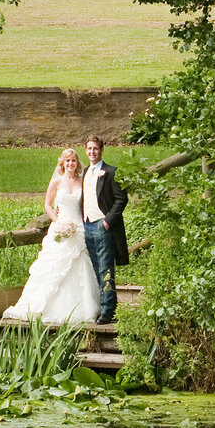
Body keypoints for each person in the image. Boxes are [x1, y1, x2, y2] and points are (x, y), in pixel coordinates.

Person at [2, 147, 101, 325]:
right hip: (60, 227)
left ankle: (84, 308)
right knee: (53, 266)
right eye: (67, 161)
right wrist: (58, 221)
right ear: (62, 164)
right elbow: (48, 205)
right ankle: (44, 306)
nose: (71, 164)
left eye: (73, 161)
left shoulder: (82, 181)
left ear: (77, 163)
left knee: (81, 266)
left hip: (78, 228)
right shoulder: (56, 182)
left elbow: (90, 202)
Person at [80, 134, 129, 325]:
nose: (92, 152)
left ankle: (107, 312)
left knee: (106, 267)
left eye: (95, 149)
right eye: (89, 149)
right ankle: (108, 305)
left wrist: (107, 221)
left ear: (101, 150)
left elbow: (121, 199)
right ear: (86, 151)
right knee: (95, 267)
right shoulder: (85, 172)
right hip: (87, 224)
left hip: (102, 224)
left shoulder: (111, 172)